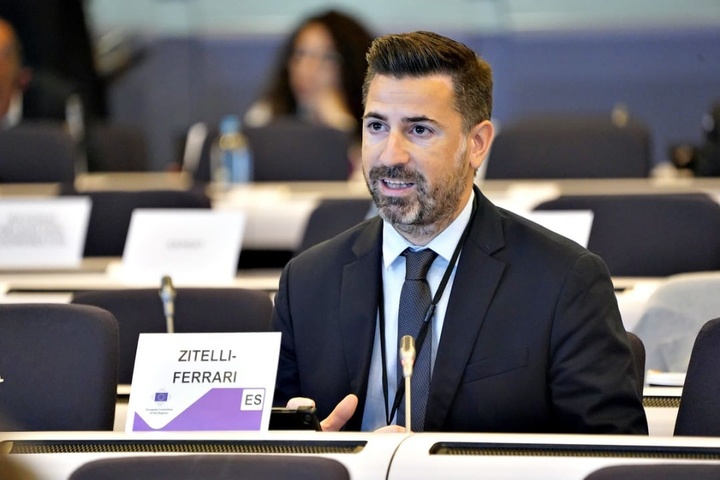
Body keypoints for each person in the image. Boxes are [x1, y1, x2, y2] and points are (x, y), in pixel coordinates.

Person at [271, 31, 648, 434]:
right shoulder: (306, 284)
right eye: (377, 126)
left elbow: (613, 456)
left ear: (478, 143)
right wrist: (313, 455)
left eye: (419, 131)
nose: (390, 155)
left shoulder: (563, 282)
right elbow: (261, 453)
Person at [244, 9, 374, 178]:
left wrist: (340, 126)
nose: (307, 69)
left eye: (327, 57)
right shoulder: (267, 113)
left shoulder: (376, 118)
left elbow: (372, 186)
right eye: (300, 54)